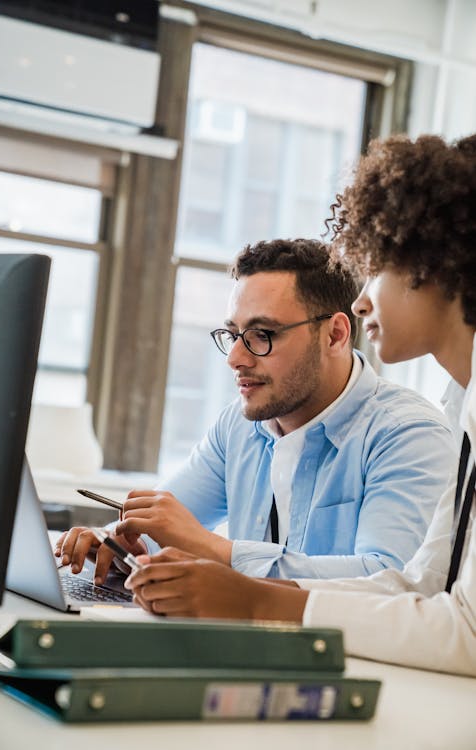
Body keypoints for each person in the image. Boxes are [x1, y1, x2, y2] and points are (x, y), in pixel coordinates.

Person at [124, 133, 476, 677]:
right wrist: (122, 545)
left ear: (437, 266)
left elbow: (463, 628)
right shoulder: (464, 403)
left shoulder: (415, 429)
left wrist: (251, 593)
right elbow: (413, 587)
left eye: (377, 268)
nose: (361, 301)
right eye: (234, 335)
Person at [56, 239, 454, 584]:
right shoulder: (240, 425)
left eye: (261, 335)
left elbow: (390, 579)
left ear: (335, 334)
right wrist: (112, 542)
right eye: (233, 335)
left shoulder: (409, 433)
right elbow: (162, 526)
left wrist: (214, 549)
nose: (235, 358)